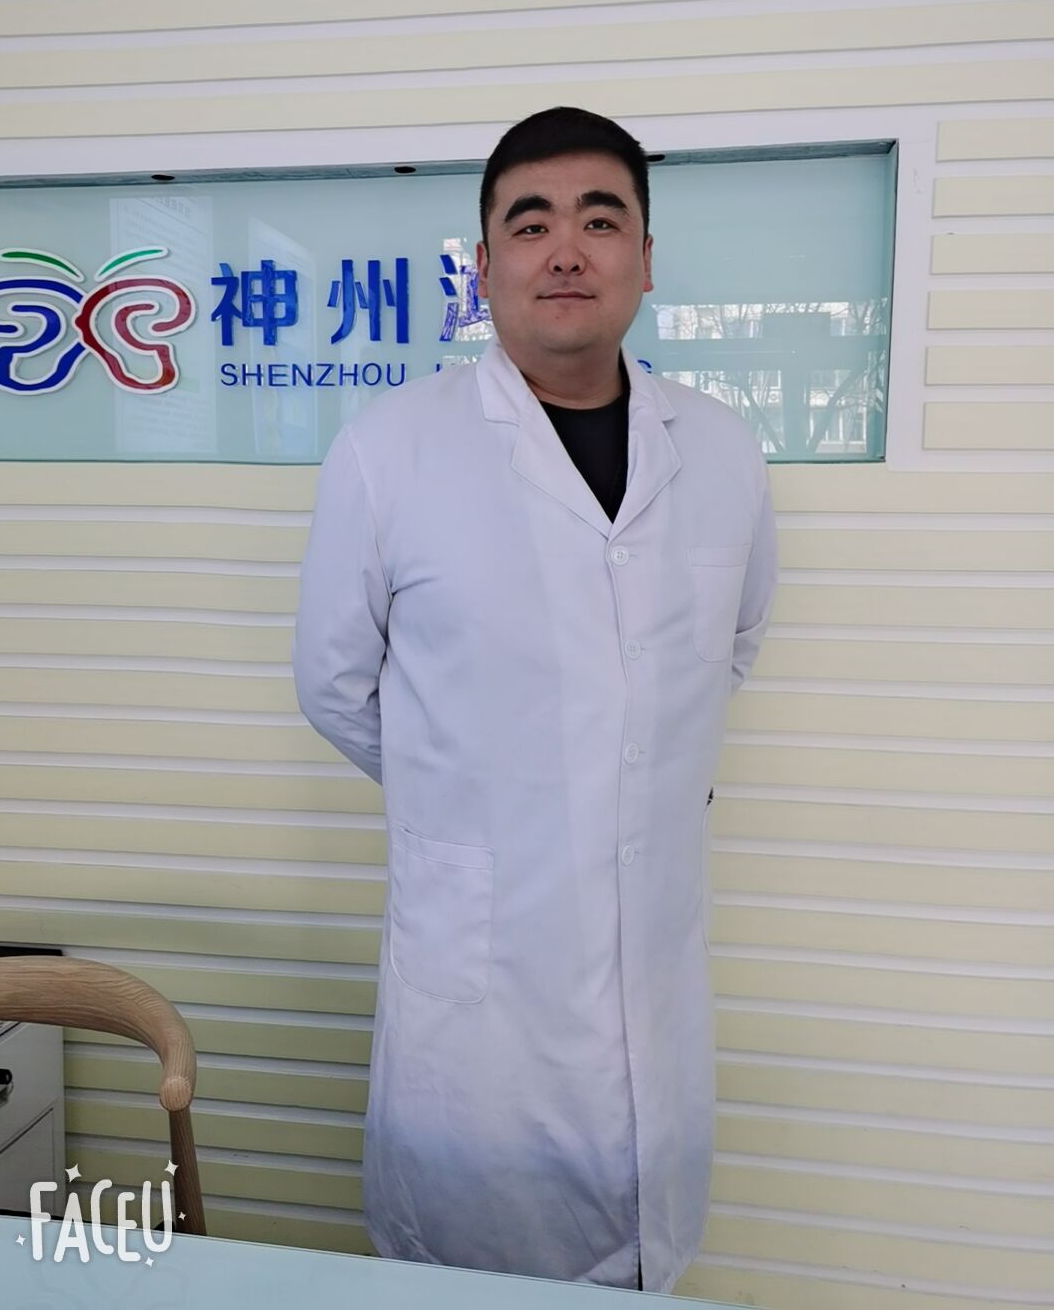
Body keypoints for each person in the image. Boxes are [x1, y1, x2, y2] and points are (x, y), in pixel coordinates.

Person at [292, 106, 778, 1295]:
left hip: (652, 974)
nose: (566, 250)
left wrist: (612, 780)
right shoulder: (390, 450)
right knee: (466, 1273)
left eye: (601, 221)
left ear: (646, 259)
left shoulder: (722, 449)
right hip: (479, 1002)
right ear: (484, 264)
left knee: (645, 1258)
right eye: (531, 223)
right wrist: (481, 798)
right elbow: (333, 684)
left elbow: (732, 643)